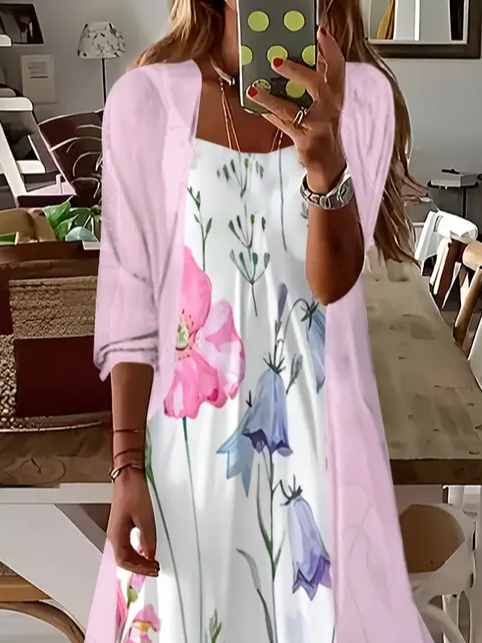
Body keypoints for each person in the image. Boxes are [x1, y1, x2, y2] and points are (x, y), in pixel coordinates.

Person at [91, 1, 430, 643]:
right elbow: (132, 294)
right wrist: (127, 463)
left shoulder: (362, 100)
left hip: (320, 444)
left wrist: (325, 163)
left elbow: (332, 286)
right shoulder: (146, 100)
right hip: (188, 445)